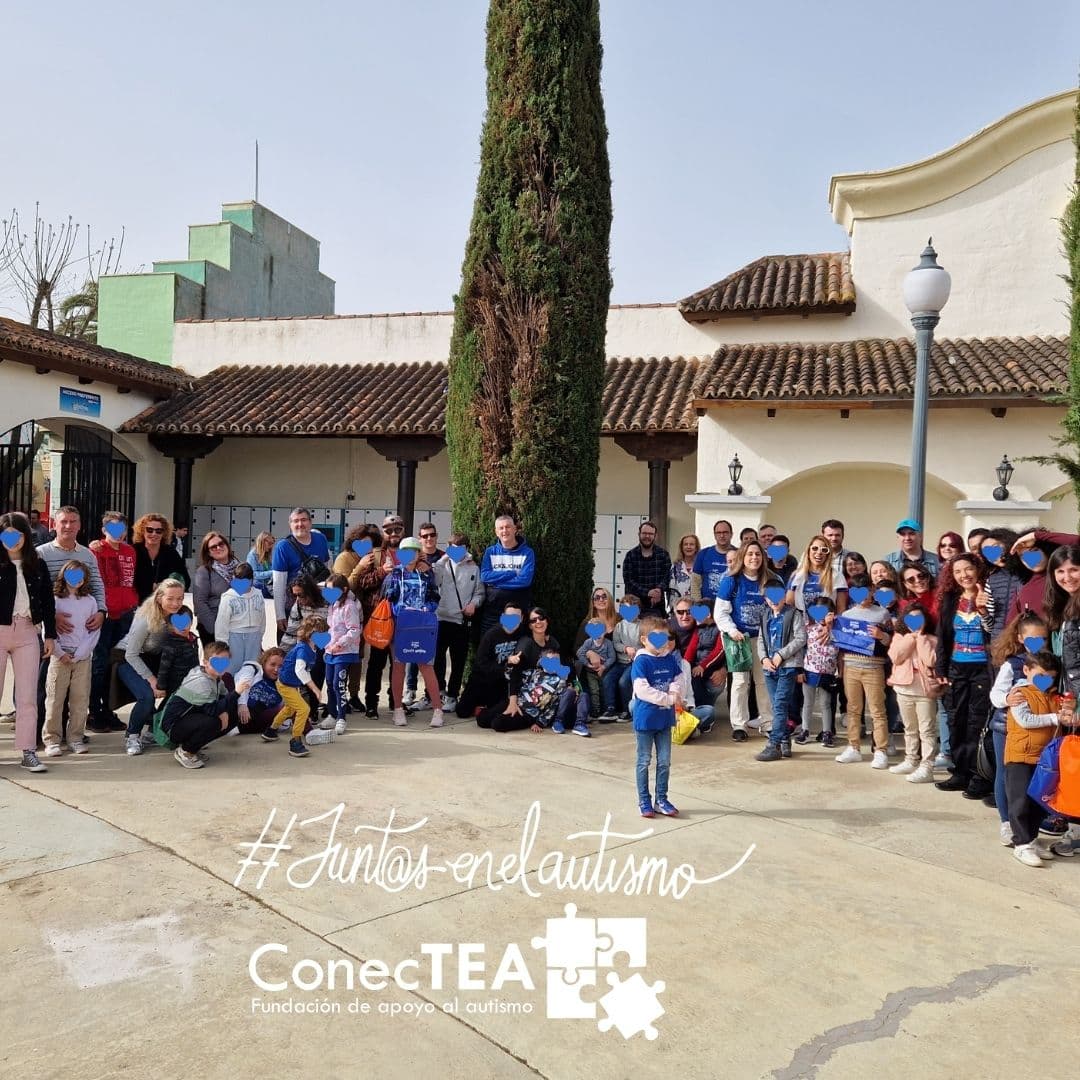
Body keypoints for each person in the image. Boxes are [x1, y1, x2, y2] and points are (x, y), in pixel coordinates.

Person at [36, 505, 108, 739]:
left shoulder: (87, 554)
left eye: (73, 521)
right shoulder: (41, 553)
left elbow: (96, 583)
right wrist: (51, 616)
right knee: (47, 687)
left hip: (79, 632)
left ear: (79, 525)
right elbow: (35, 590)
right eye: (63, 521)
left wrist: (101, 612)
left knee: (76, 691)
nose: (68, 526)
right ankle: (41, 733)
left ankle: (73, 733)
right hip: (49, 632)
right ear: (54, 525)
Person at [1002, 650, 1071, 867]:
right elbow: (1025, 720)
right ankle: (1021, 843)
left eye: (1050, 676)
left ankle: (1031, 839)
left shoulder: (1054, 696)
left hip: (1045, 760)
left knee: (1039, 802)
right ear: (1026, 670)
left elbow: (1063, 721)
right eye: (1041, 675)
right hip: (1020, 757)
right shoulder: (1020, 693)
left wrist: (1069, 716)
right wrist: (1055, 717)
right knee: (1019, 802)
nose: (1046, 680)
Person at [1, 512, 56, 773]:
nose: (12, 540)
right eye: (6, 535)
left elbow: (48, 601)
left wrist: (50, 635)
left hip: (27, 632)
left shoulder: (37, 564)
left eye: (17, 535)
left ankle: (28, 751)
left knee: (28, 696)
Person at [989, 612, 1050, 846]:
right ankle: (1006, 822)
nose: (1038, 644)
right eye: (1032, 639)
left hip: (1037, 731)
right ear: (1021, 638)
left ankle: (1029, 824)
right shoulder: (1013, 663)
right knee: (1006, 776)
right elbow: (995, 695)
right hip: (1006, 729)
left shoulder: (1050, 663)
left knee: (1032, 778)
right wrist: (1007, 698)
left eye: (1042, 639)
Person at [934, 553, 991, 795]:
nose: (963, 575)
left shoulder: (988, 595)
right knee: (955, 719)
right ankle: (960, 772)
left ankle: (979, 775)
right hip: (957, 667)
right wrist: (941, 668)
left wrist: (984, 607)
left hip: (982, 669)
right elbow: (943, 635)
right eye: (957, 572)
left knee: (976, 721)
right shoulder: (950, 598)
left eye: (968, 569)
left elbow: (995, 628)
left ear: (977, 569)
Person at [118, 578, 187, 756]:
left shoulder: (177, 616)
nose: (175, 603)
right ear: (159, 598)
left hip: (153, 660)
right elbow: (131, 654)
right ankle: (132, 735)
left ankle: (152, 732)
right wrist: (152, 680)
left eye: (179, 599)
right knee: (147, 697)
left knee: (179, 688)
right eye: (170, 599)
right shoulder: (146, 619)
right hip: (127, 659)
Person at [716, 540, 776, 743]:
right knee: (741, 682)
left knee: (763, 681)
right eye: (750, 554)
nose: (754, 558)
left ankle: (767, 723)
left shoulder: (771, 579)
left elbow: (779, 609)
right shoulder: (731, 581)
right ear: (743, 556)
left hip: (764, 640)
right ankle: (739, 725)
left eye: (758, 554)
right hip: (738, 639)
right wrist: (732, 631)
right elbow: (720, 613)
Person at [833, 572, 893, 768]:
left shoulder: (882, 613)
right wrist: (840, 668)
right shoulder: (847, 616)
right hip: (851, 666)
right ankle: (853, 747)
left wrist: (881, 634)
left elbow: (890, 641)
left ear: (873, 591)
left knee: (877, 710)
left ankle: (881, 750)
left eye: (867, 592)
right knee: (853, 709)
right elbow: (840, 645)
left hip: (874, 667)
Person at [383, 536, 443, 727]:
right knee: (399, 666)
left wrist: (427, 609)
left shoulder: (426, 575)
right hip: (400, 626)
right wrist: (400, 611)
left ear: (419, 554)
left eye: (413, 551)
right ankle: (398, 709)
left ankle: (438, 710)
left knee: (426, 666)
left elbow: (434, 598)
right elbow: (389, 599)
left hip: (422, 626)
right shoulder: (394, 574)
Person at [42, 560, 100, 758]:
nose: (76, 580)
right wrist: (59, 652)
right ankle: (52, 739)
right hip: (60, 658)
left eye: (80, 576)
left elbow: (94, 631)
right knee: (55, 700)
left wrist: (81, 653)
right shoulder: (54, 600)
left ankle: (75, 737)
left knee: (80, 700)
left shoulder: (90, 601)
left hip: (82, 658)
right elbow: (47, 629)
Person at [88, 510, 138, 733]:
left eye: (122, 529)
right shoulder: (96, 550)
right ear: (104, 530)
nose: (118, 533)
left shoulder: (130, 551)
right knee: (98, 664)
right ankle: (94, 711)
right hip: (105, 614)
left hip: (126, 613)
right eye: (113, 529)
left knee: (114, 663)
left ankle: (108, 710)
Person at [631, 615, 686, 818]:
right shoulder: (642, 661)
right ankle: (644, 800)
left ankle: (661, 798)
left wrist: (674, 691)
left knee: (664, 761)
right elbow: (641, 690)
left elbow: (678, 677)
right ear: (644, 639)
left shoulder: (669, 658)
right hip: (646, 720)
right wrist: (668, 699)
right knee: (644, 760)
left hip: (665, 720)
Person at [478, 606, 560, 732]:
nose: (538, 622)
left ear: (547, 621)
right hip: (519, 696)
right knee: (482, 720)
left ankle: (530, 718)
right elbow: (515, 673)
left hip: (537, 705)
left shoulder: (553, 643)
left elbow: (562, 669)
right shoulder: (526, 643)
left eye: (541, 618)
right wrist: (512, 703)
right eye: (533, 620)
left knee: (498, 724)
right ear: (530, 625)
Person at [886, 602, 940, 783]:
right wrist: (910, 638)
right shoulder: (899, 638)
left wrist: (922, 639)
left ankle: (927, 766)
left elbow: (931, 661)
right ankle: (910, 759)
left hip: (925, 691)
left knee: (927, 730)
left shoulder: (932, 640)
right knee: (909, 728)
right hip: (903, 688)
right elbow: (896, 657)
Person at [356, 517, 404, 719]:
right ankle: (371, 704)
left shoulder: (410, 553)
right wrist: (381, 572)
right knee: (376, 663)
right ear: (383, 532)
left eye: (397, 529)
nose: (393, 534)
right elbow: (362, 583)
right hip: (380, 618)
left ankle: (396, 702)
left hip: (402, 618)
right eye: (389, 530)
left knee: (399, 663)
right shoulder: (374, 555)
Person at [263, 614, 329, 758]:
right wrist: (314, 687)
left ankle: (271, 731)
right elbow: (300, 669)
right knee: (303, 709)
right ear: (310, 634)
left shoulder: (312, 648)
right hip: (286, 684)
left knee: (289, 709)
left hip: (290, 684)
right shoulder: (302, 649)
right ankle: (295, 742)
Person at [433, 532, 485, 713]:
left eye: (459, 549)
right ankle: (438, 691)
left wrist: (473, 604)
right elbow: (434, 580)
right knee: (437, 658)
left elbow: (480, 592)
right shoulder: (443, 564)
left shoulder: (473, 568)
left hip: (461, 620)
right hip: (440, 618)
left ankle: (452, 695)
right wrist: (442, 560)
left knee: (458, 661)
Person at [334, 522, 383, 712]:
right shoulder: (344, 558)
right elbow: (343, 588)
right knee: (343, 655)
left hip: (362, 615)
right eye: (361, 543)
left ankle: (354, 694)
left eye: (369, 544)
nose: (365, 548)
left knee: (357, 656)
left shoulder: (373, 558)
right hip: (343, 617)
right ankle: (341, 695)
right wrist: (360, 567)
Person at [753, 586, 806, 762]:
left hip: (787, 667)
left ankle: (773, 744)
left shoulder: (793, 614)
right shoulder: (765, 615)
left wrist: (780, 655)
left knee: (781, 704)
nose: (774, 600)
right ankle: (784, 740)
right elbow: (761, 639)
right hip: (770, 668)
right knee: (777, 705)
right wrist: (764, 659)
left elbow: (800, 638)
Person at [161, 640, 232, 769]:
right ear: (205, 662)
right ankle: (186, 751)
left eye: (225, 662)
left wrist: (225, 712)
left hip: (188, 719)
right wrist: (238, 692)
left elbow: (223, 695)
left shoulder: (215, 678)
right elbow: (213, 709)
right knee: (214, 722)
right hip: (172, 726)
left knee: (229, 716)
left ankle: (194, 746)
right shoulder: (201, 681)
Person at [457, 601, 525, 718]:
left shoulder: (522, 633)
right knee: (462, 711)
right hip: (482, 678)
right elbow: (480, 662)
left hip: (503, 682)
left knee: (496, 710)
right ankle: (478, 705)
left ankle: (485, 708)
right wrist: (503, 668)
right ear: (502, 617)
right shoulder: (492, 634)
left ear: (522, 618)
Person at [271, 508, 332, 637]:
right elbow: (278, 584)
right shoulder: (282, 547)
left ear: (310, 522)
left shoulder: (320, 539)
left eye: (304, 520)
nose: (300, 524)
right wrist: (280, 615)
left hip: (317, 608)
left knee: (317, 649)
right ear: (290, 524)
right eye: (296, 521)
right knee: (289, 648)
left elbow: (327, 572)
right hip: (293, 608)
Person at [404, 522, 446, 708]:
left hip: (437, 614)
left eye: (432, 535)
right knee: (412, 653)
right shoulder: (412, 557)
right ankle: (410, 689)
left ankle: (434, 693)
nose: (429, 539)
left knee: (434, 656)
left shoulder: (444, 557)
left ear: (437, 536)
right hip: (413, 616)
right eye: (425, 536)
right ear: (419, 539)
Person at [479, 515, 536, 634]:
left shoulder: (527, 552)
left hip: (517, 611)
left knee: (515, 647)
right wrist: (510, 573)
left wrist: (496, 584)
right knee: (489, 646)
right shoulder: (490, 551)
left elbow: (524, 580)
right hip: (492, 613)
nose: (504, 531)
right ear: (496, 532)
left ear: (515, 529)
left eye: (508, 527)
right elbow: (485, 576)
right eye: (501, 528)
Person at [573, 586, 621, 721]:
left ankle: (612, 709)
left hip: (615, 663)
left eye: (604, 596)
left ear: (610, 599)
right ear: (593, 602)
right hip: (593, 667)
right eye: (597, 597)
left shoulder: (620, 620)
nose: (601, 600)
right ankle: (595, 710)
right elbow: (576, 648)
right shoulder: (587, 623)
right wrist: (589, 653)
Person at [323, 573, 362, 736]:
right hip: (330, 651)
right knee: (330, 683)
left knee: (339, 684)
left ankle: (341, 717)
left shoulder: (349, 606)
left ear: (343, 589)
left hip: (344, 651)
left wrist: (340, 644)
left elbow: (354, 629)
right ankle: (331, 713)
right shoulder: (332, 606)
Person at [796, 596, 838, 747]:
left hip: (828, 673)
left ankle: (827, 732)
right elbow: (800, 650)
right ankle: (805, 730)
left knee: (826, 703)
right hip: (809, 671)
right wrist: (799, 670)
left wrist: (831, 624)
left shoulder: (838, 631)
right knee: (807, 703)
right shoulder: (808, 628)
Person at [213, 563, 267, 673]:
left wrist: (260, 636)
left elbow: (262, 618)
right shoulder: (228, 597)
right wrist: (222, 645)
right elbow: (221, 623)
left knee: (252, 669)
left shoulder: (258, 594)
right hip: (235, 636)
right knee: (233, 669)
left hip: (254, 636)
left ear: (251, 581)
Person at [193, 531, 239, 645]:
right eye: (213, 547)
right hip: (213, 627)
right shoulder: (204, 571)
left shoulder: (241, 567)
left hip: (238, 627)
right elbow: (200, 602)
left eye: (221, 544)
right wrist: (215, 629)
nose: (218, 547)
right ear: (208, 553)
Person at [131, 513, 189, 602]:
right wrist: (148, 586)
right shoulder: (133, 551)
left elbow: (185, 580)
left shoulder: (171, 553)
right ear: (142, 531)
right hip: (136, 604)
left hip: (163, 604)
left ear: (164, 533)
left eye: (159, 531)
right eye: (149, 530)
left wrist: (165, 586)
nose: (154, 534)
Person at [979, 527, 1024, 641]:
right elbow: (990, 628)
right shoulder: (992, 579)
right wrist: (983, 611)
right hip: (999, 645)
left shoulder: (1029, 572)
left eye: (995, 547)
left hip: (1025, 642)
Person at [789, 535, 848, 617]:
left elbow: (841, 609)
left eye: (824, 550)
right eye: (815, 548)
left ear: (828, 554)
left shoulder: (837, 576)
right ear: (808, 551)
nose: (819, 552)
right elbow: (789, 605)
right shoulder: (796, 575)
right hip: (800, 626)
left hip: (826, 627)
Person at [622, 521, 671, 618]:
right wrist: (648, 593)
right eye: (644, 533)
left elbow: (667, 577)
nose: (647, 536)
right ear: (639, 534)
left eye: (650, 534)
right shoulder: (630, 555)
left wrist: (658, 590)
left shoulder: (663, 555)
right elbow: (628, 581)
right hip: (633, 606)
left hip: (656, 606)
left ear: (655, 536)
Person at [234, 647, 286, 734]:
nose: (276, 670)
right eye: (272, 664)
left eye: (281, 666)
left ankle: (310, 733)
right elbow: (241, 682)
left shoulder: (283, 685)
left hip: (260, 721)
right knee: (227, 677)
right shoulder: (253, 669)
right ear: (264, 663)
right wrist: (242, 704)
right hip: (239, 713)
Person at [157, 604, 200, 698]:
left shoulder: (193, 639)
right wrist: (161, 687)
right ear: (171, 625)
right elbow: (164, 668)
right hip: (175, 685)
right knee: (171, 706)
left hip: (191, 682)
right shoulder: (171, 643)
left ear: (192, 622)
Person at [691, 519, 734, 604]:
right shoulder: (703, 554)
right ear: (714, 535)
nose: (722, 535)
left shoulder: (739, 554)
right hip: (707, 606)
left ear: (731, 534)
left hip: (730, 606)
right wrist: (697, 604)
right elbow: (695, 582)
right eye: (718, 533)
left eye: (725, 532)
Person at [613, 594, 642, 717]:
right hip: (620, 662)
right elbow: (616, 643)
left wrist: (636, 652)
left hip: (635, 662)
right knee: (608, 679)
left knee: (623, 682)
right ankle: (609, 707)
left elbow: (646, 643)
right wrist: (625, 648)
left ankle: (627, 709)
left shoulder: (642, 626)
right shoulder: (619, 626)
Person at [667, 534, 700, 609]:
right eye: (685, 544)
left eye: (691, 544)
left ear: (696, 548)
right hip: (680, 610)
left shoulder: (701, 566)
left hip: (697, 608)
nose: (688, 547)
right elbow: (672, 591)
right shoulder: (675, 566)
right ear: (682, 548)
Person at [246, 531, 276, 598]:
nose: (271, 546)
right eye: (270, 543)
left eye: (273, 543)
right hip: (258, 585)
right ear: (262, 542)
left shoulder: (267, 554)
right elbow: (254, 575)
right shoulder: (252, 555)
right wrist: (272, 573)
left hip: (267, 584)